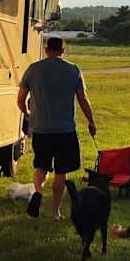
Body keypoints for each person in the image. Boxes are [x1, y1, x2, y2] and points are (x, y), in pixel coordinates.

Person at [17, 36, 96, 221]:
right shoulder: (73, 70)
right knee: (61, 172)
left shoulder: (33, 69)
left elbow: (20, 99)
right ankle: (55, 212)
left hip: (41, 129)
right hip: (65, 131)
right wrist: (91, 121)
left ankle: (37, 191)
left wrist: (28, 114)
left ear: (46, 49)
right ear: (63, 50)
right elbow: (82, 99)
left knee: (41, 166)